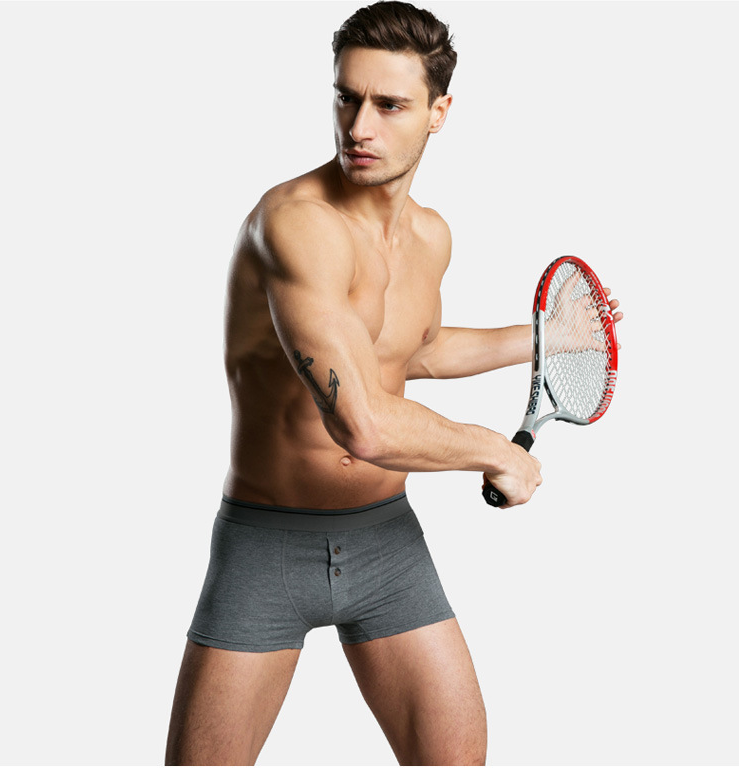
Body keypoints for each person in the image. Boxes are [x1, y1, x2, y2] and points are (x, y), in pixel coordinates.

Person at [165, 2, 622, 765]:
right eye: (346, 98)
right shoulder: (297, 224)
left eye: (389, 105)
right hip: (268, 546)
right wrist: (496, 451)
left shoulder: (430, 236)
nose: (358, 126)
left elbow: (417, 349)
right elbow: (364, 423)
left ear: (439, 112)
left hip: (387, 544)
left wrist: (549, 337)